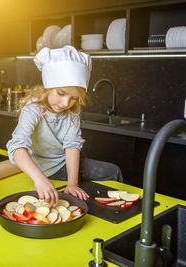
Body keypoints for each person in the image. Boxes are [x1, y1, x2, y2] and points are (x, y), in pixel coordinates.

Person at [6, 46, 122, 205]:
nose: (66, 103)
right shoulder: (33, 110)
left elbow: (72, 145)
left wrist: (72, 183)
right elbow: (18, 148)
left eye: (73, 98)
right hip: (43, 170)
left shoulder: (72, 112)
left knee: (113, 171)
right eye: (61, 93)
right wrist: (40, 179)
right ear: (48, 86)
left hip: (65, 164)